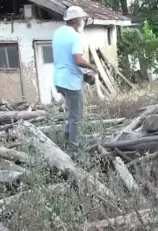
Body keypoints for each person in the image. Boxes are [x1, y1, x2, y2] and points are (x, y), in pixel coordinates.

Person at [52, 6, 97, 152]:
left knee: (72, 113)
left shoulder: (58, 33)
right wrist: (91, 67)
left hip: (59, 80)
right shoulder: (75, 36)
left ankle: (67, 137)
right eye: (83, 19)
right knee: (76, 117)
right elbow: (77, 60)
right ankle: (73, 149)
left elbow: (66, 60)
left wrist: (83, 75)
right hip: (70, 83)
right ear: (77, 21)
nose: (83, 22)